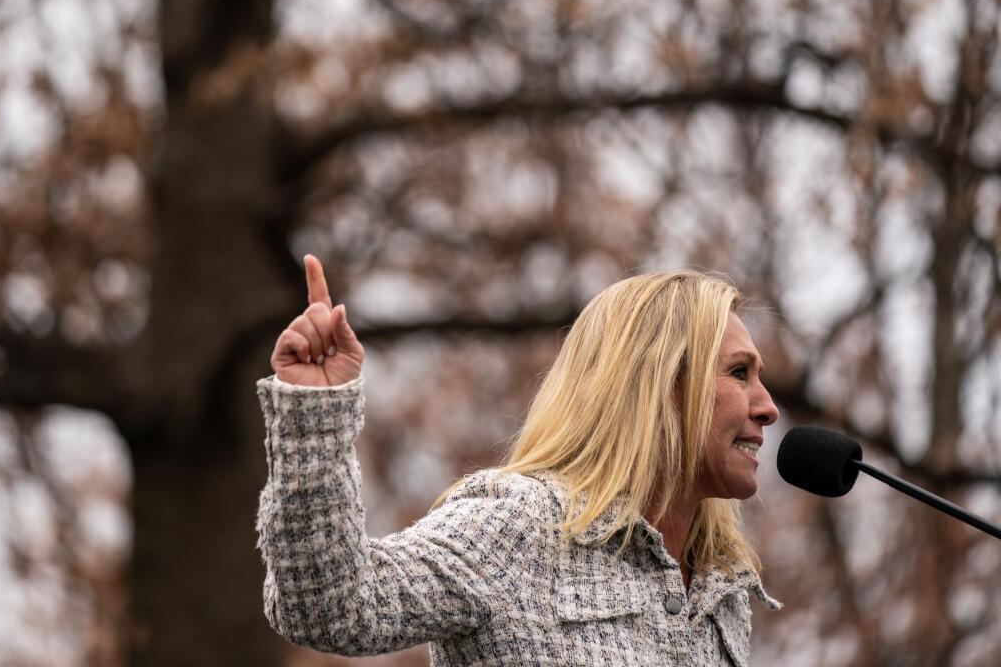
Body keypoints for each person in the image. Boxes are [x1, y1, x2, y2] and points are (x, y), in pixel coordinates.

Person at [256, 256, 782, 666]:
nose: (769, 408)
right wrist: (314, 416)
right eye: (740, 373)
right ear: (660, 386)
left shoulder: (722, 589)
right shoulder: (520, 525)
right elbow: (332, 607)